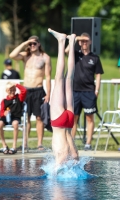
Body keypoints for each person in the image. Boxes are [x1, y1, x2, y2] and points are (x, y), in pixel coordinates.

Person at [9, 35, 52, 150]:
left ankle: (39, 143)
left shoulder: (45, 57)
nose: (32, 46)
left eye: (34, 43)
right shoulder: (25, 56)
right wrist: (24, 43)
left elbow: (48, 77)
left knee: (39, 117)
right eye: (30, 44)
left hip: (38, 90)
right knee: (26, 117)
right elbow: (12, 55)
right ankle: (25, 144)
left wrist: (48, 93)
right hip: (26, 90)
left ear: (39, 44)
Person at [65, 32, 104, 151]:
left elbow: (98, 75)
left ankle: (88, 143)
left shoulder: (95, 58)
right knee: (74, 118)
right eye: (82, 41)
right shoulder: (75, 54)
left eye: (87, 40)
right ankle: (71, 143)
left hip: (88, 91)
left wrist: (96, 90)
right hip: (75, 91)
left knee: (89, 118)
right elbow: (66, 51)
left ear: (90, 42)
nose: (84, 43)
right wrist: (76, 39)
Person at [48, 28, 78, 167]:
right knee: (59, 78)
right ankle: (61, 42)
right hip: (60, 121)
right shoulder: (62, 152)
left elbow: (75, 156)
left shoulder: (69, 151)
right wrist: (55, 169)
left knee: (69, 78)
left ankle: (71, 42)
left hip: (69, 121)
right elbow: (64, 154)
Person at [0, 82, 27, 154]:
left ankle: (14, 146)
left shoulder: (19, 98)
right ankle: (4, 145)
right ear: (7, 91)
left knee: (15, 123)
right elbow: (1, 113)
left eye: (14, 90)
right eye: (10, 90)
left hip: (15, 117)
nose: (12, 92)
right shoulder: (4, 101)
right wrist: (4, 113)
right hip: (6, 117)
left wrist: (16, 85)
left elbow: (24, 91)